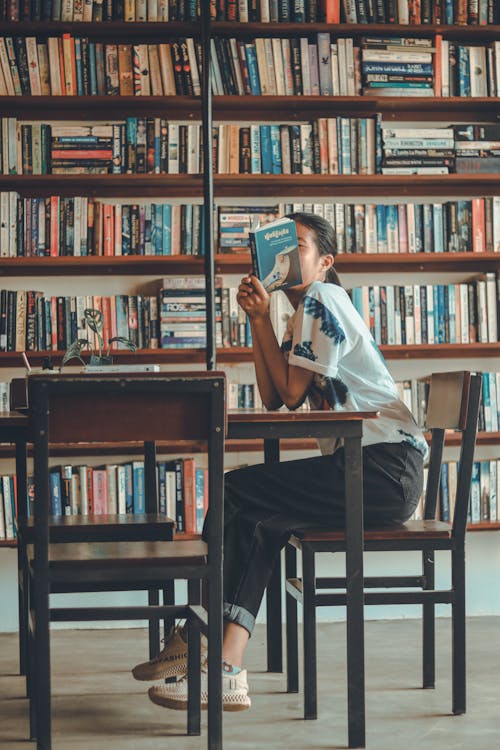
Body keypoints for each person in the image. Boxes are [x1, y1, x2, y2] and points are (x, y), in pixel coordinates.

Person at [132, 211, 428, 712]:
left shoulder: (322, 297)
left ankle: (195, 629)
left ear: (325, 262)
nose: (288, 255)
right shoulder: (300, 314)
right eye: (281, 247)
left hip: (381, 468)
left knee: (231, 490)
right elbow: (275, 397)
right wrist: (257, 319)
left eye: (301, 246)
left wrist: (269, 318)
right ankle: (227, 666)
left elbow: (289, 392)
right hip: (371, 472)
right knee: (260, 521)